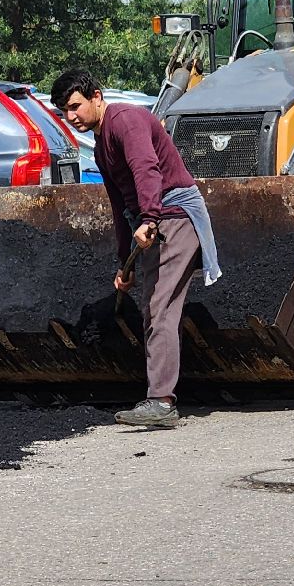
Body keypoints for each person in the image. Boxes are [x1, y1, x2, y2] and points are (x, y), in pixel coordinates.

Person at [50, 68, 221, 428]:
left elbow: (148, 170)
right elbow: (118, 206)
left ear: (96, 96)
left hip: (174, 215)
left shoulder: (126, 120)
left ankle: (161, 401)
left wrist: (150, 218)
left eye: (75, 106)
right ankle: (159, 394)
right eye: (64, 110)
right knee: (151, 308)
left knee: (160, 307)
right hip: (152, 220)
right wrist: (122, 263)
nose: (71, 117)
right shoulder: (101, 148)